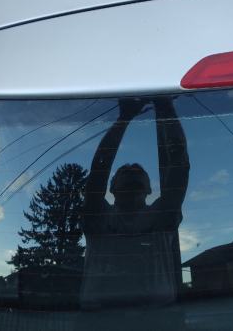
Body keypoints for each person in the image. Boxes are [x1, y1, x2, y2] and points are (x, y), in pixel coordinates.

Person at [81, 96, 190, 317]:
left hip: (159, 319)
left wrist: (165, 106)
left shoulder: (161, 217)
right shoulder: (99, 218)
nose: (132, 173)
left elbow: (180, 164)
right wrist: (124, 118)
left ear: (149, 189)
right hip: (98, 320)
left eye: (139, 172)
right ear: (111, 188)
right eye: (124, 172)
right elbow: (99, 168)